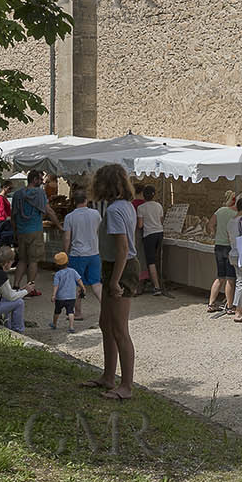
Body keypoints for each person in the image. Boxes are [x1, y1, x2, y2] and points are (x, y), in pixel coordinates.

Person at [83, 163, 136, 400]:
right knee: (106, 324)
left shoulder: (115, 211)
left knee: (119, 329)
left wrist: (115, 281)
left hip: (120, 269)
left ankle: (126, 386)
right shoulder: (124, 206)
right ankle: (108, 376)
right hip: (114, 266)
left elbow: (123, 248)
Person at [10, 170, 58, 295]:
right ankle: (30, 289)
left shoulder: (17, 194)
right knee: (33, 261)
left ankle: (15, 286)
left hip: (21, 231)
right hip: (35, 231)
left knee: (22, 260)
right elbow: (49, 211)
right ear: (34, 179)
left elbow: (13, 215)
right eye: (41, 179)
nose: (42, 182)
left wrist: (15, 231)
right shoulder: (40, 193)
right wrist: (59, 225)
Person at [61, 188, 103, 303]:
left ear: (74, 201)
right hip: (94, 253)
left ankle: (78, 312)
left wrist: (65, 253)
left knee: (77, 284)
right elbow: (99, 231)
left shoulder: (69, 217)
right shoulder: (96, 214)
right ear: (86, 200)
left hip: (77, 254)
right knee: (96, 283)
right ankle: (106, 309)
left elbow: (67, 238)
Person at [207, 195, 242, 314]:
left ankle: (211, 303)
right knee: (230, 279)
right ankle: (229, 306)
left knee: (220, 277)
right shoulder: (238, 216)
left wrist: (214, 233)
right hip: (230, 247)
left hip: (218, 246)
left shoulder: (221, 210)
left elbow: (210, 224)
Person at [136, 185, 165, 296]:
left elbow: (140, 225)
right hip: (159, 232)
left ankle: (156, 287)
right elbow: (161, 220)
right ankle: (158, 281)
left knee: (150, 261)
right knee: (157, 259)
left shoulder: (141, 208)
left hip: (149, 234)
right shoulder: (159, 206)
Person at [50, 251, 85, 331]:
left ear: (57, 264)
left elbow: (56, 286)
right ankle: (71, 327)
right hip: (71, 297)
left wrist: (53, 295)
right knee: (70, 312)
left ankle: (54, 324)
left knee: (57, 311)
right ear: (67, 261)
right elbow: (79, 280)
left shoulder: (58, 274)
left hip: (60, 297)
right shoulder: (73, 271)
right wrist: (82, 287)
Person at [0, 180, 15, 248]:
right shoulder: (0, 198)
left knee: (7, 241)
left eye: (12, 188)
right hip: (2, 221)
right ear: (4, 187)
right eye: (9, 188)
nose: (10, 190)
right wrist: (7, 217)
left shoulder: (4, 197)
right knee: (3, 241)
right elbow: (1, 210)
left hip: (6, 221)